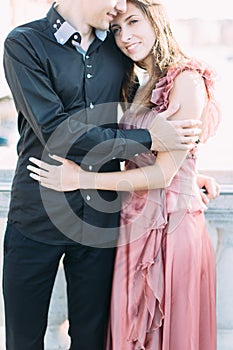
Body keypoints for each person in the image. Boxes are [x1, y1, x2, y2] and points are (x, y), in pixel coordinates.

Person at [2, 1, 204, 349]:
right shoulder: (24, 43)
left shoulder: (117, 48)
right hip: (36, 213)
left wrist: (187, 173)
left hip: (102, 218)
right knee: (24, 338)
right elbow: (56, 130)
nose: (117, 9)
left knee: (92, 339)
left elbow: (146, 106)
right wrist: (149, 139)